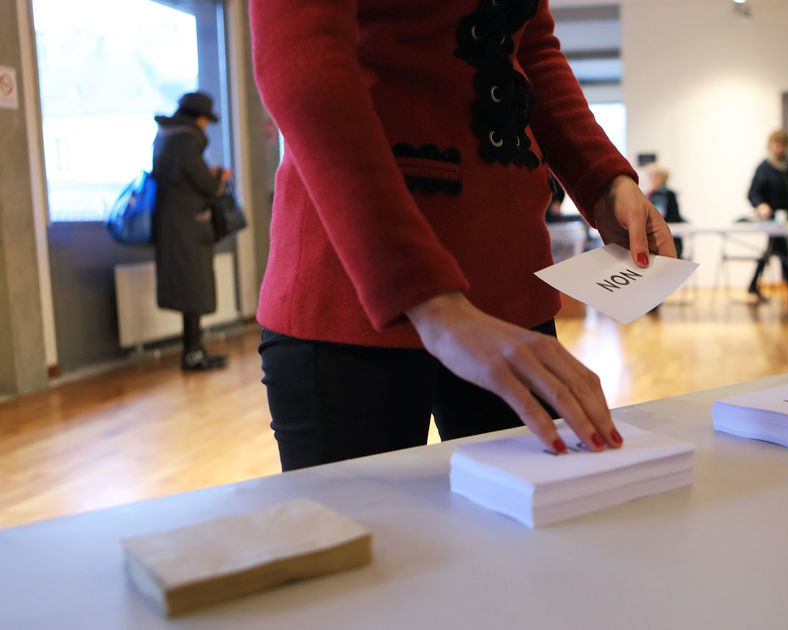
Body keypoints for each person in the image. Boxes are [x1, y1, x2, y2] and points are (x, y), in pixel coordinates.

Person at [250, 1, 676, 471]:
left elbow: (528, 47)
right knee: (378, 538)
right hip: (354, 294)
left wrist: (603, 180)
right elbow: (302, 63)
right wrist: (430, 300)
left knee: (532, 535)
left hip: (510, 287)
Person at [152, 92, 232, 371]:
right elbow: (205, 185)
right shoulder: (186, 141)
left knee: (189, 291)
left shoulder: (165, 137)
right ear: (198, 118)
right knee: (193, 290)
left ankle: (194, 349)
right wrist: (218, 179)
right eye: (205, 120)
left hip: (171, 225)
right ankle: (193, 353)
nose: (205, 126)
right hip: (188, 227)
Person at [746, 129, 788, 301]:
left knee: (776, 250)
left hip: (787, 219)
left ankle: (754, 285)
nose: (778, 148)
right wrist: (761, 205)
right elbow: (752, 193)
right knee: (780, 250)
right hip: (770, 219)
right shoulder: (764, 168)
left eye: (782, 144)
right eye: (775, 144)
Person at [645, 165, 685, 258]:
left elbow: (674, 217)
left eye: (654, 176)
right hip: (653, 235)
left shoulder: (669, 195)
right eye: (651, 176)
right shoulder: (649, 194)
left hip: (669, 236)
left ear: (662, 178)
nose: (652, 179)